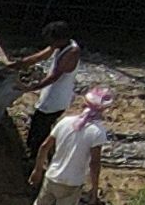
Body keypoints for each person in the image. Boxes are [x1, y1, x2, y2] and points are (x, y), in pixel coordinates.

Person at [15, 85, 115, 205]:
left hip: (52, 176)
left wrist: (38, 169)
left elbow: (45, 146)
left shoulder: (65, 121)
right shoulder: (97, 132)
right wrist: (94, 189)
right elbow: (95, 163)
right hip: (72, 182)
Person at [9, 32, 87, 162]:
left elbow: (54, 77)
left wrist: (30, 88)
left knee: (39, 130)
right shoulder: (61, 46)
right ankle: (44, 154)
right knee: (40, 126)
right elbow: (37, 58)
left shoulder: (71, 52)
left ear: (60, 39)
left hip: (56, 99)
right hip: (50, 96)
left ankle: (34, 158)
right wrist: (13, 66)